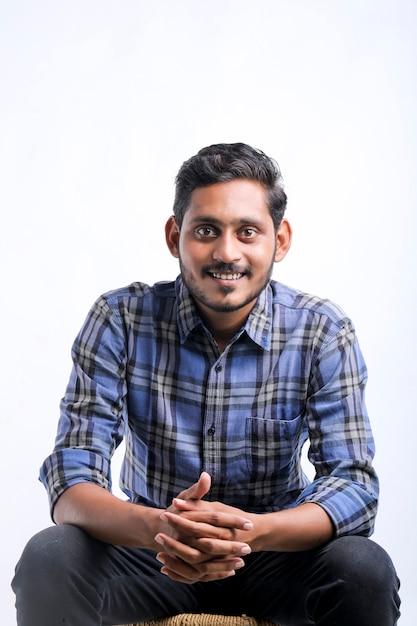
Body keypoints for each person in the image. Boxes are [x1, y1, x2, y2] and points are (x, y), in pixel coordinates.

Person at [12, 143, 400, 625]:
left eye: (248, 232)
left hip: (274, 555)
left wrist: (250, 531)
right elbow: (72, 477)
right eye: (206, 231)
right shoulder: (119, 320)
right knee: (50, 556)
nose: (226, 252)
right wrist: (161, 527)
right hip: (151, 553)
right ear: (176, 235)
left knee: (363, 568)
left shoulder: (321, 331)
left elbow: (352, 485)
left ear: (279, 241)